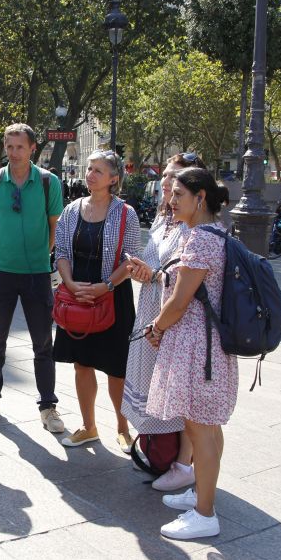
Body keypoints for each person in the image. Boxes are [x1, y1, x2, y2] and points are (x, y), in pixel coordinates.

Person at [143, 167, 236, 540]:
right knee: (208, 428)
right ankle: (202, 492)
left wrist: (156, 327)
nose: (171, 200)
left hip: (197, 346)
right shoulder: (218, 234)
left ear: (200, 198)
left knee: (200, 430)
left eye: (179, 194)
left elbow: (181, 301)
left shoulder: (199, 239)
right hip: (209, 344)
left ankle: (205, 513)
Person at [0, 123, 65, 433]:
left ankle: (48, 408)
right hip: (0, 272)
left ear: (32, 148)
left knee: (43, 344)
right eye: (9, 146)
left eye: (19, 146)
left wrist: (39, 256)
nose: (13, 152)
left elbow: (54, 227)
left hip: (37, 273)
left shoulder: (49, 182)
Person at [121, 153, 206, 488]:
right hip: (151, 309)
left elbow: (186, 283)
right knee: (159, 391)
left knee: (181, 397)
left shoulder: (194, 226)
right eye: (167, 176)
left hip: (175, 319)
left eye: (176, 177)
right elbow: (161, 270)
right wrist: (144, 271)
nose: (168, 183)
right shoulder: (163, 218)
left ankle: (183, 465)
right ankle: (163, 455)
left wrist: (155, 279)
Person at [52, 151, 141, 447]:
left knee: (116, 367)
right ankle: (88, 426)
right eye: (89, 168)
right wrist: (69, 283)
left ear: (114, 179)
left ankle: (122, 428)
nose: (90, 174)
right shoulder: (71, 210)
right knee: (82, 363)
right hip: (77, 295)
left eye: (98, 171)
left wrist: (105, 286)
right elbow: (61, 252)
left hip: (113, 296)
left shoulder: (126, 213)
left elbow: (131, 260)